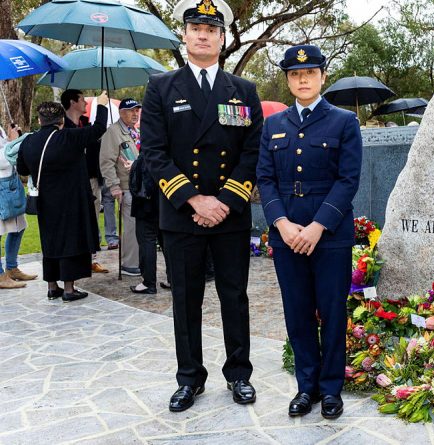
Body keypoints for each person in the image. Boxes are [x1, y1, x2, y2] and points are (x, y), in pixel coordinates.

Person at [140, 0, 263, 412]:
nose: (203, 34)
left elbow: (251, 152)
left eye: (211, 29)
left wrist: (223, 202)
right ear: (185, 35)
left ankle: (239, 374)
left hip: (229, 215)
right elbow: (154, 152)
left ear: (223, 38)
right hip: (182, 215)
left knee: (234, 297)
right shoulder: (161, 87)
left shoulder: (243, 91)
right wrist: (194, 198)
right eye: (196, 28)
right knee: (186, 300)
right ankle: (189, 379)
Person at [257, 44, 362, 420]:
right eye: (295, 75)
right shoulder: (274, 125)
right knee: (297, 312)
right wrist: (282, 225)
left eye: (310, 73)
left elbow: (348, 180)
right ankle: (307, 387)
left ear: (322, 76)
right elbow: (265, 180)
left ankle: (331, 388)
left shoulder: (343, 121)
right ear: (288, 80)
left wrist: (317, 226)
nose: (303, 79)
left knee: (332, 312)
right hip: (287, 235)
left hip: (330, 235)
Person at [17, 93, 109, 302]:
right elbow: (98, 129)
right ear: (60, 120)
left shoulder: (29, 141)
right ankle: (69, 288)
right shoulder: (68, 137)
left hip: (45, 201)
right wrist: (101, 106)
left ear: (40, 120)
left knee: (50, 241)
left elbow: (22, 168)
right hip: (71, 200)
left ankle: (52, 286)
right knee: (71, 241)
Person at [61, 89, 109, 273]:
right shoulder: (65, 128)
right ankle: (77, 262)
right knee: (76, 223)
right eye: (82, 100)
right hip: (73, 185)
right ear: (73, 102)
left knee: (92, 220)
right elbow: (99, 128)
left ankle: (89, 258)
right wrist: (101, 106)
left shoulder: (82, 124)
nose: (86, 103)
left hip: (90, 178)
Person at [99, 97, 141, 277]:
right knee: (130, 228)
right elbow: (106, 162)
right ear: (121, 112)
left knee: (138, 227)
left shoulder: (135, 131)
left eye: (137, 110)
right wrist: (114, 187)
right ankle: (129, 264)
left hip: (139, 187)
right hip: (125, 187)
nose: (135, 113)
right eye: (131, 110)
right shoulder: (113, 132)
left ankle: (138, 260)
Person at [0, 125, 37, 288]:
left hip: (11, 184)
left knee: (19, 227)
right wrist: (13, 141)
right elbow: (3, 160)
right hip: (2, 186)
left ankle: (12, 267)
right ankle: (1, 276)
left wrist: (10, 140)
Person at [129, 155, 169, 294]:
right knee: (166, 241)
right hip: (164, 202)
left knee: (147, 240)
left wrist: (134, 165)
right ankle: (172, 278)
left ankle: (148, 282)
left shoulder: (151, 149)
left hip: (147, 202)